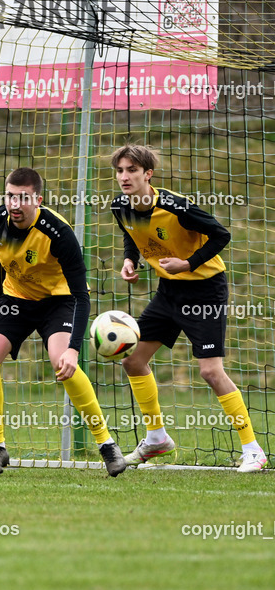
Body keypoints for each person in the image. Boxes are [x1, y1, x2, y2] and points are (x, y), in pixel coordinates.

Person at [110, 144, 267, 472]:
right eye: (120, 171)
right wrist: (130, 260)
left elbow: (221, 235)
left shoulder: (175, 206)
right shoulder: (119, 206)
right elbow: (133, 234)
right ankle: (157, 438)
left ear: (147, 174)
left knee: (210, 371)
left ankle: (253, 450)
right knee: (133, 360)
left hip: (206, 291)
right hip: (168, 292)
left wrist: (188, 263)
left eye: (132, 171)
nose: (124, 177)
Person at [0, 168, 125, 477]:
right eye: (10, 196)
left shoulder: (58, 232)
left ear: (38, 200)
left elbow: (82, 296)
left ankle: (106, 444)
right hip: (15, 298)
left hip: (59, 300)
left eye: (23, 198)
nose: (15, 204)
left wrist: (73, 349)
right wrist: (1, 306)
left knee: (62, 362)